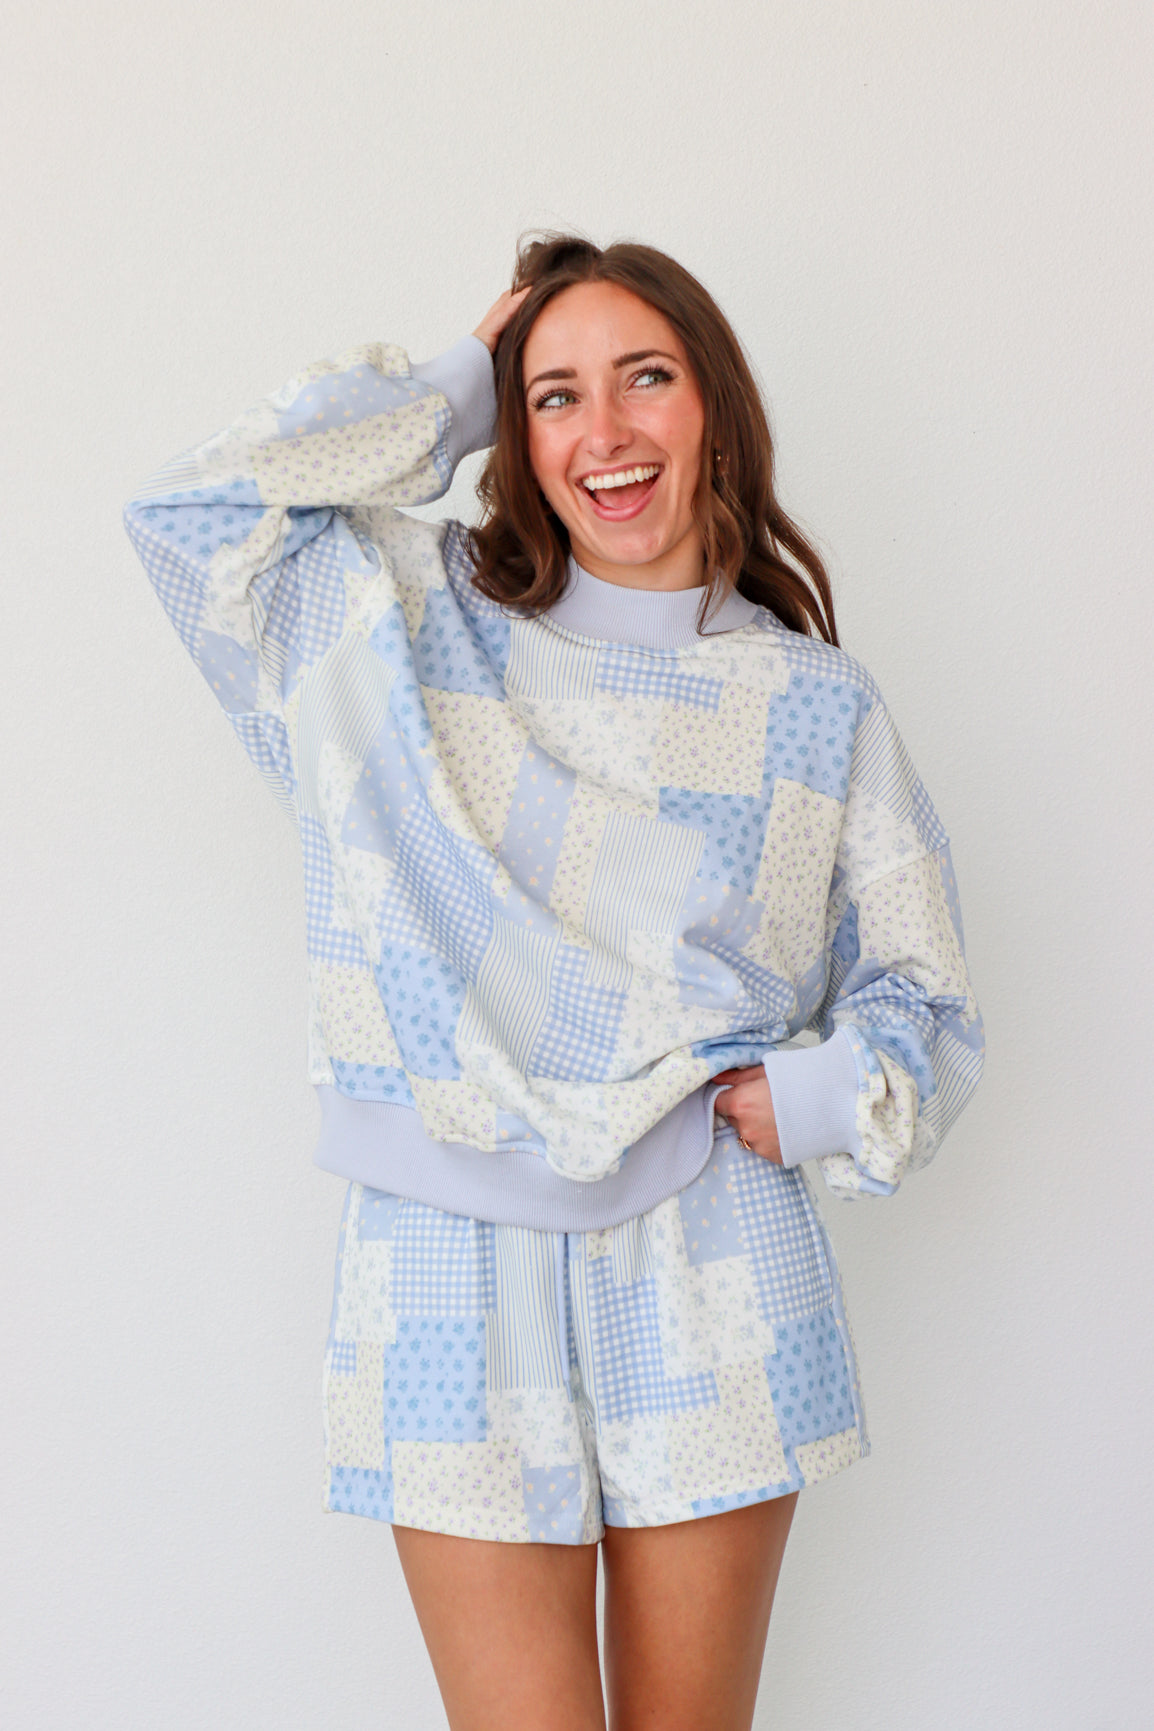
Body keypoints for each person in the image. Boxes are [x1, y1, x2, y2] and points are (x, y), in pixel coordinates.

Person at [123, 233, 984, 1731]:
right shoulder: (396, 630)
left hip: (711, 1247)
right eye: (552, 395)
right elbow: (190, 512)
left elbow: (927, 991)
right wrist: (456, 377)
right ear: (511, 436)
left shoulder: (813, 702)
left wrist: (818, 1090)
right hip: (449, 1244)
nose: (605, 433)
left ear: (710, 403)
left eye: (643, 378)